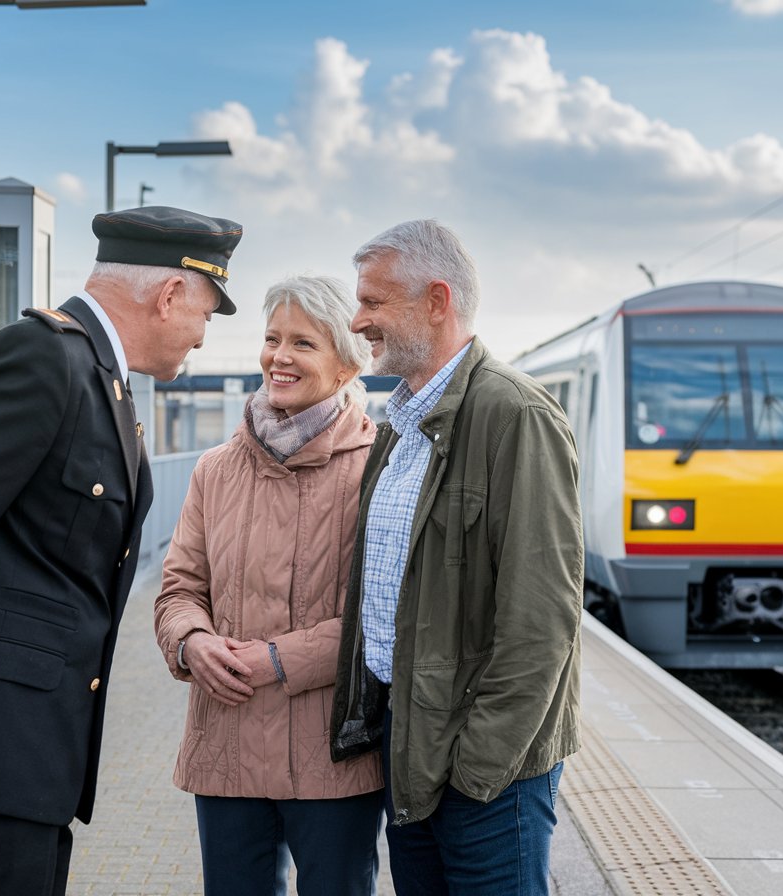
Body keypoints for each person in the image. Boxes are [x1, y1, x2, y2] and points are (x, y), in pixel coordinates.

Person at [0, 205, 242, 896]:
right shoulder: (42, 357)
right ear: (169, 293)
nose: (202, 336)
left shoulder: (100, 377)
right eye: (205, 313)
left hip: (29, 754)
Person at [330, 219, 584, 895]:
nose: (359, 321)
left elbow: (543, 620)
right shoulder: (400, 426)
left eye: (374, 302)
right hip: (411, 747)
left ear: (437, 301)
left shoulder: (515, 415)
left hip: (483, 774)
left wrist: (479, 770)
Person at [154, 275, 383, 896]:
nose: (279, 356)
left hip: (334, 760)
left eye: (303, 343)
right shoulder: (214, 470)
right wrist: (190, 642)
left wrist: (281, 658)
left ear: (346, 364)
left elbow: (389, 618)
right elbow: (177, 590)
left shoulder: (379, 470)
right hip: (224, 749)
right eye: (272, 338)